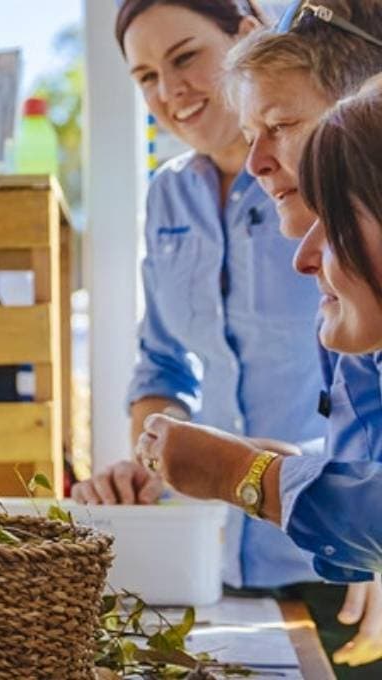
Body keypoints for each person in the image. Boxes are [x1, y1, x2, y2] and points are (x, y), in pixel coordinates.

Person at [76, 0, 382, 672]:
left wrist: (360, 510)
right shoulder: (170, 196)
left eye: (185, 57)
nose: (170, 91)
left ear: (249, 34)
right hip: (221, 539)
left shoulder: (326, 177)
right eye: (145, 76)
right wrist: (158, 461)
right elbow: (162, 363)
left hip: (333, 558)